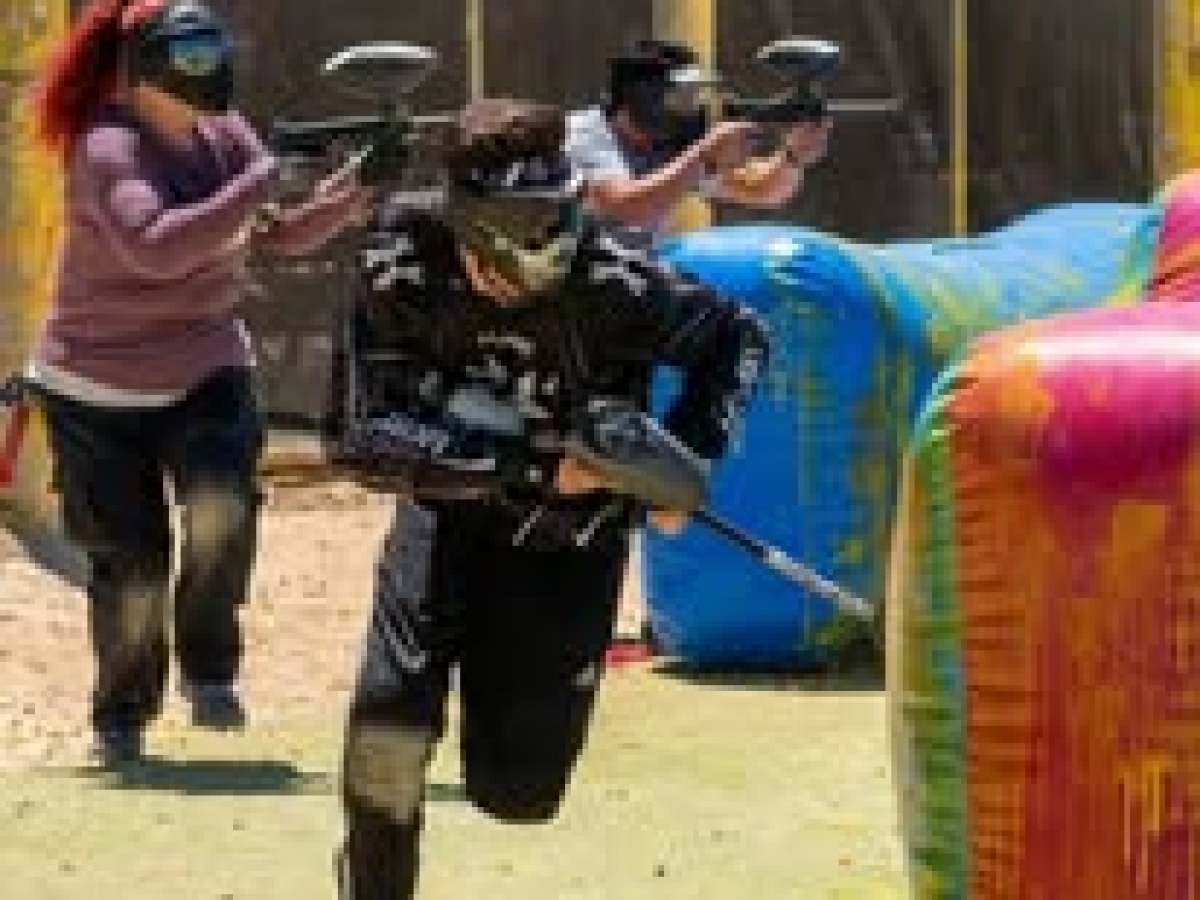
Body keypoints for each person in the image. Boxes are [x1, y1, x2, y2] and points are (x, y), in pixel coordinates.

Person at [335, 97, 769, 899]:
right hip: (447, 521)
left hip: (570, 545)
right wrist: (529, 466)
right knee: (388, 732)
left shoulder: (614, 282)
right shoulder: (398, 258)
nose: (536, 255)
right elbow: (358, 435)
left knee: (519, 792)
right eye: (514, 230)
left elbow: (737, 337)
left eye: (553, 220)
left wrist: (683, 464)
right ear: (466, 223)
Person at [26, 0, 374, 765]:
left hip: (207, 360)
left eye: (212, 48)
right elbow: (154, 248)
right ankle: (122, 713)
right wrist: (263, 181)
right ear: (145, 68)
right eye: (189, 55)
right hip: (95, 386)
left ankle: (209, 668)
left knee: (222, 509)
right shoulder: (108, 146)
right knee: (134, 570)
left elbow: (273, 235)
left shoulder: (227, 136)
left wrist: (345, 199)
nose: (210, 67)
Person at [565, 38, 832, 245]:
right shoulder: (584, 135)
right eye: (684, 97)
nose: (694, 108)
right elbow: (625, 209)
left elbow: (762, 190)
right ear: (645, 98)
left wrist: (794, 157)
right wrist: (704, 157)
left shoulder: (667, 145)